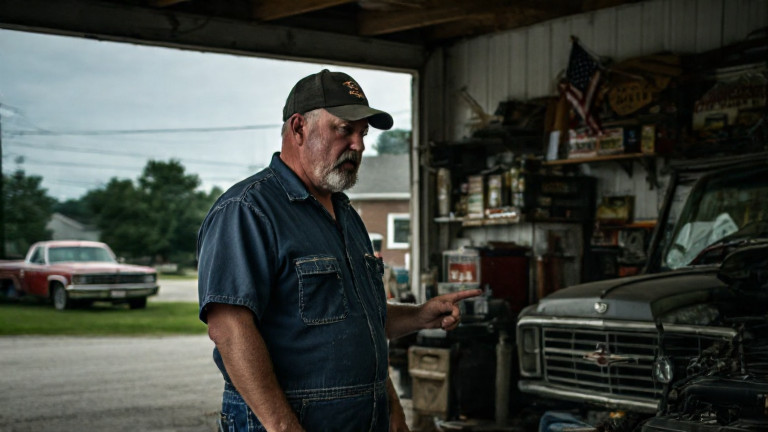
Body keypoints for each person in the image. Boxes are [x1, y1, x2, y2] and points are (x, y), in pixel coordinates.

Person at [197, 69, 481, 432]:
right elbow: (229, 328)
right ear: (299, 128)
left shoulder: (346, 214)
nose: (359, 146)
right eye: (344, 130)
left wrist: (419, 318)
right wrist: (283, 427)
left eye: (362, 133)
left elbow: (358, 321)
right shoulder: (246, 211)